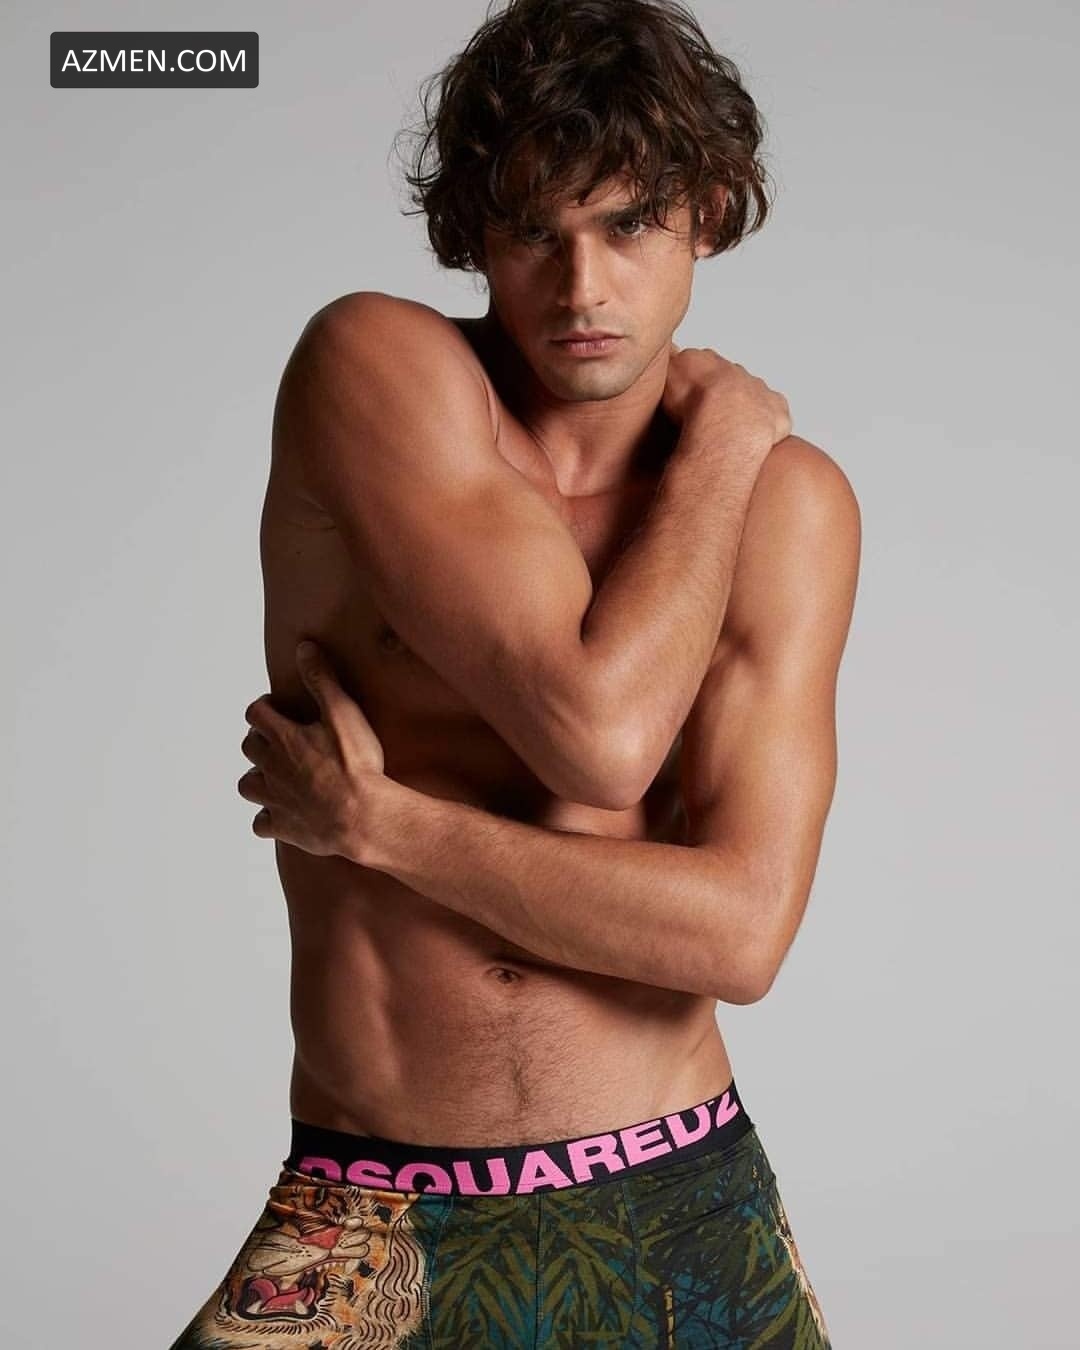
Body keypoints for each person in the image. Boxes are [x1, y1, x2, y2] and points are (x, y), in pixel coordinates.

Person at [170, 0, 859, 1345]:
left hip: (680, 1203)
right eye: (535, 231)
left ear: (710, 212)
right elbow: (596, 734)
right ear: (473, 236)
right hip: (373, 1210)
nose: (582, 286)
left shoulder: (787, 504)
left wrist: (387, 826)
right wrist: (726, 446)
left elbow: (739, 932)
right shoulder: (380, 372)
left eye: (629, 224)